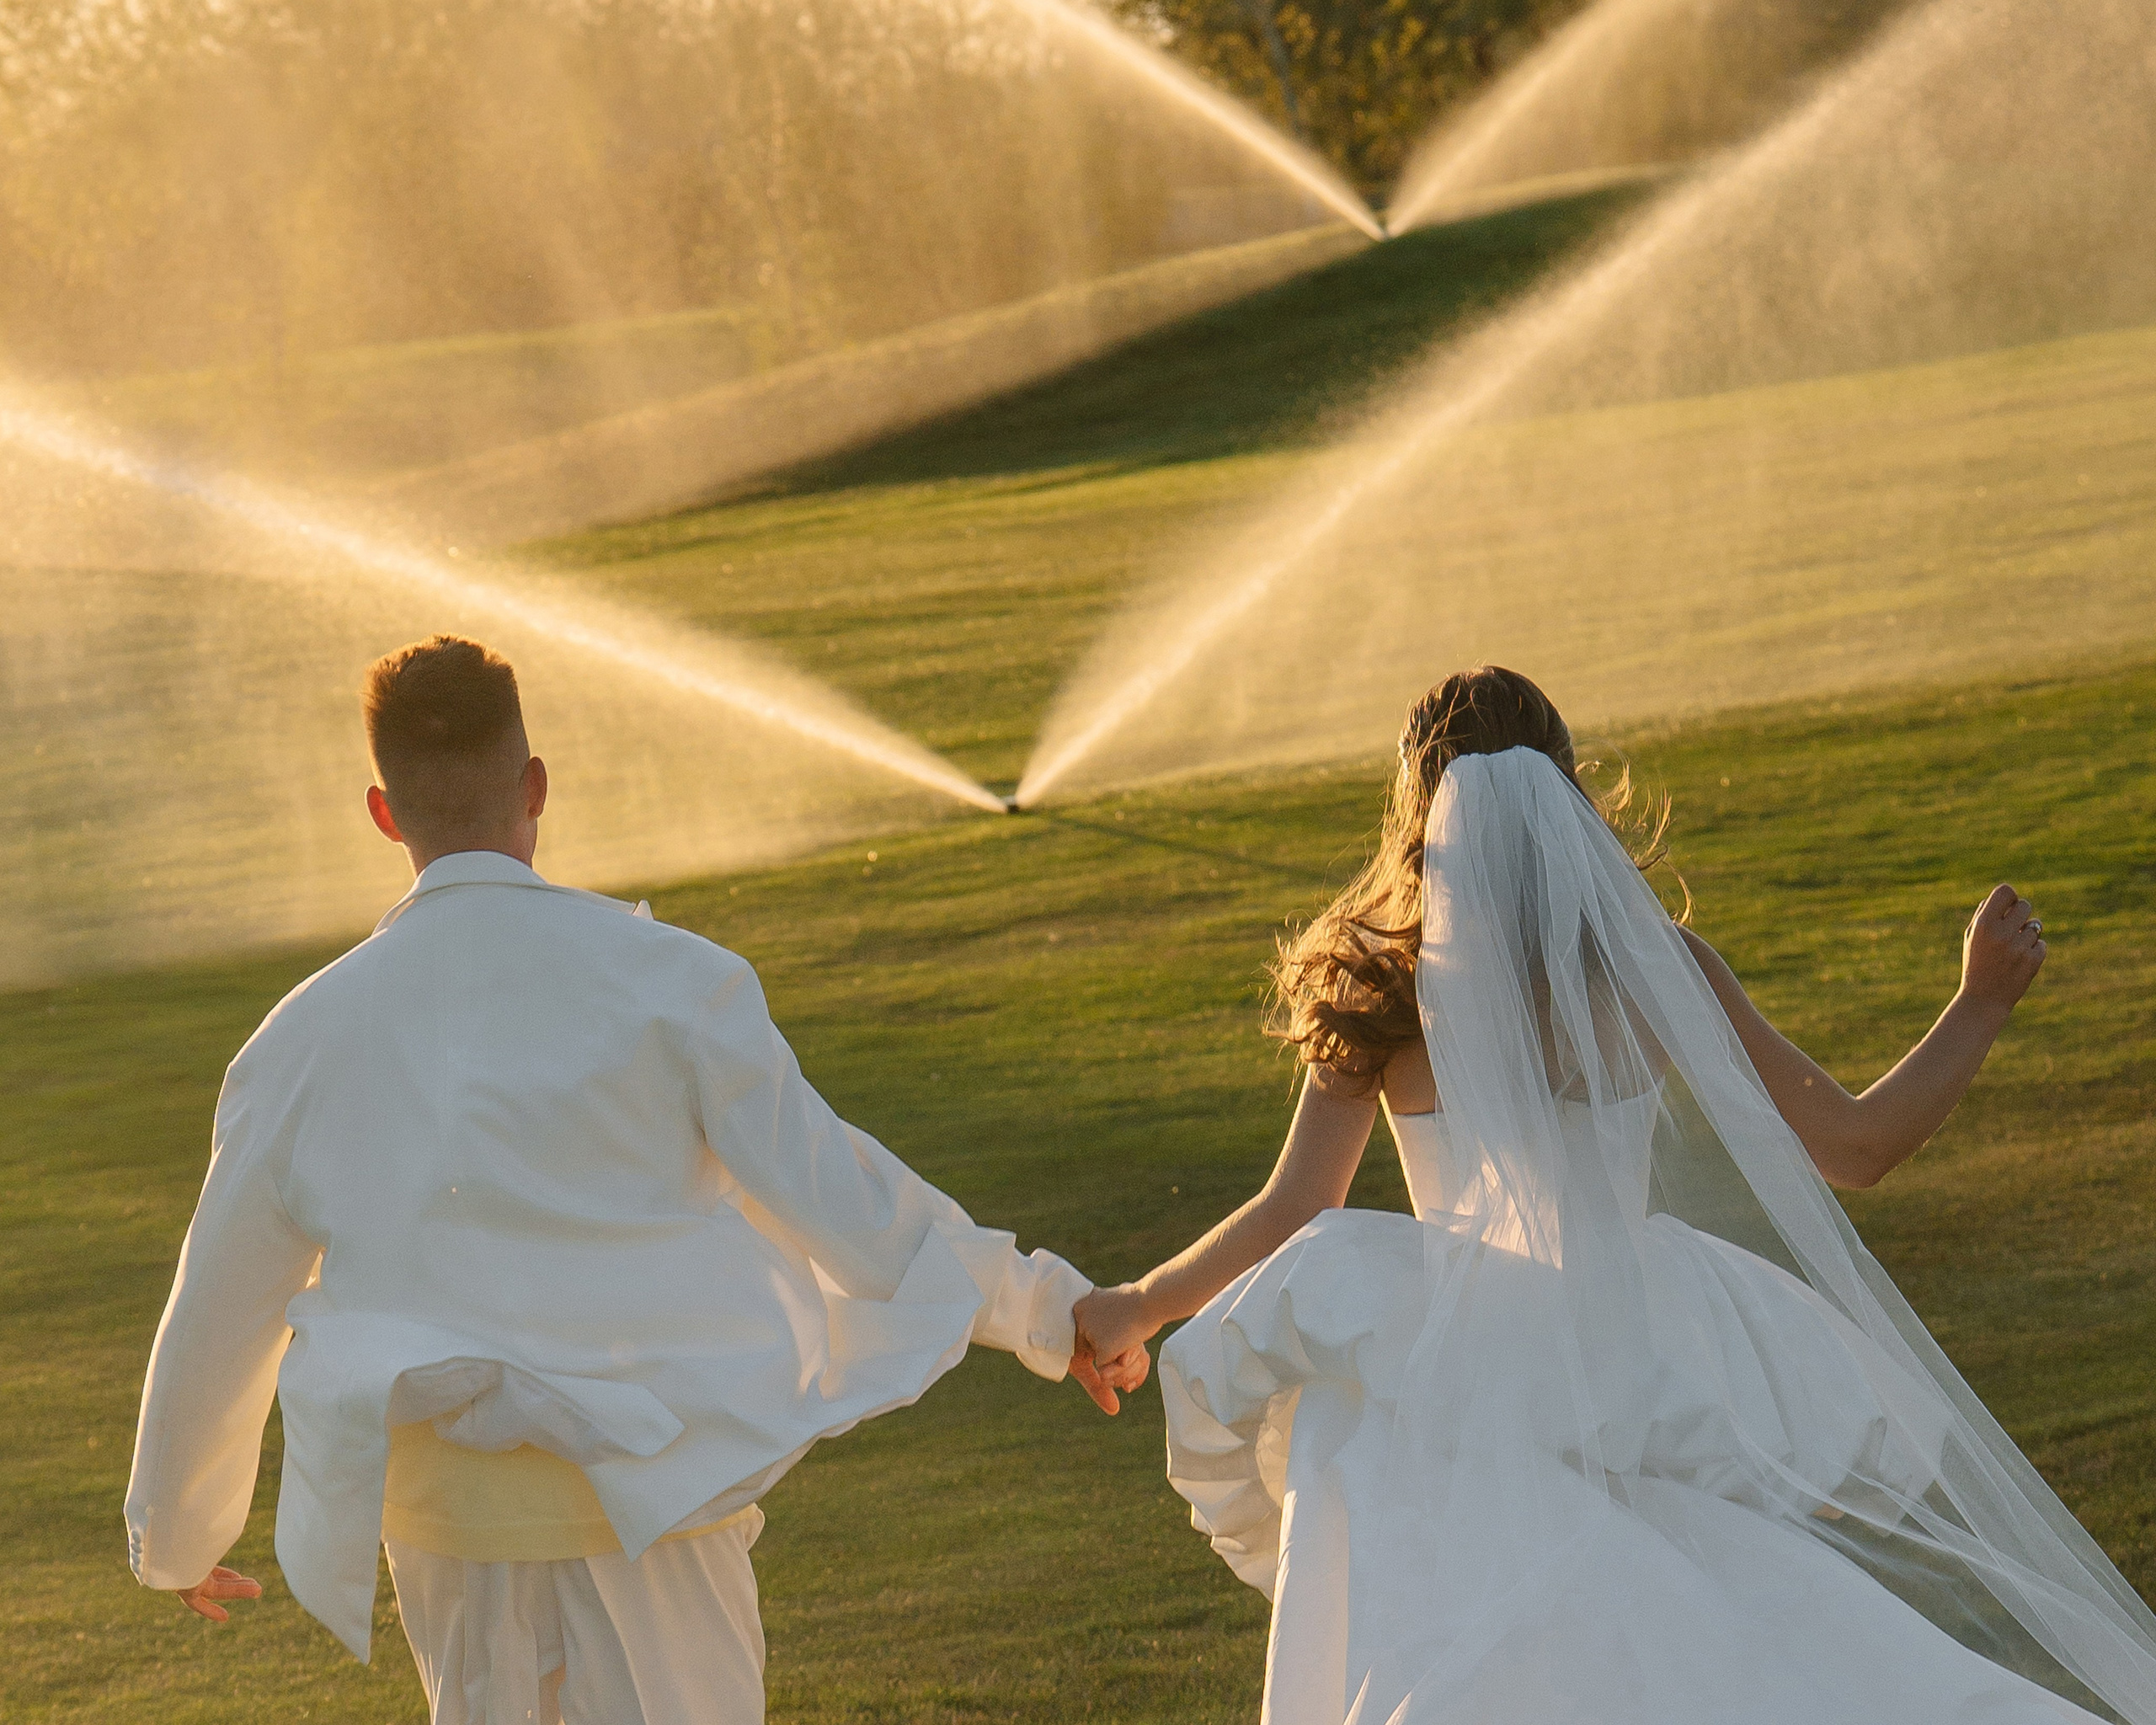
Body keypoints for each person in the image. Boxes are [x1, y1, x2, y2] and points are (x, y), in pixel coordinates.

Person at [1075, 665, 2156, 1723]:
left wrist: (1138, 1300)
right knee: (1692, 1599)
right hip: (1635, 1345)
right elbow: (1856, 1145)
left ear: (1417, 816)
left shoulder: (1383, 994)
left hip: (1461, 1362)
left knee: (1501, 1624)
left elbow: (1294, 1209)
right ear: (1569, 796)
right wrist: (1975, 1004)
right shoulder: (1654, 969)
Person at [125, 634, 1131, 1724]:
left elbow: (218, 1309)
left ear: (384, 812)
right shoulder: (671, 981)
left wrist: (175, 1533)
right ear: (536, 789)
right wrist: (1046, 1311)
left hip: (455, 1543)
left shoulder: (303, 1039)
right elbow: (848, 1203)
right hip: (661, 1514)